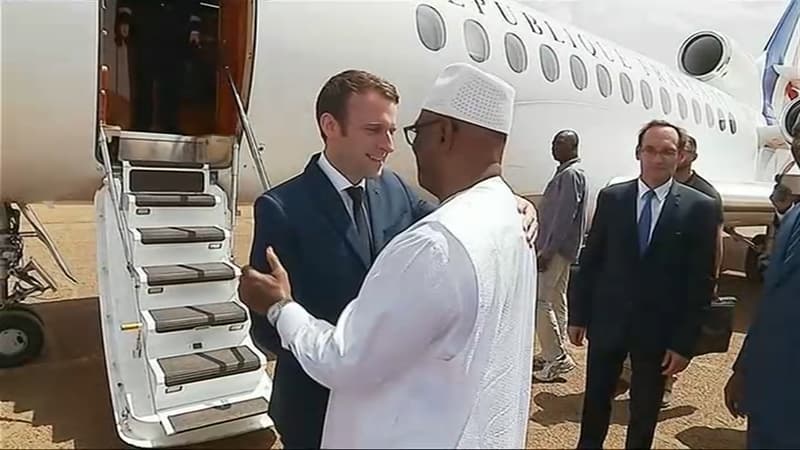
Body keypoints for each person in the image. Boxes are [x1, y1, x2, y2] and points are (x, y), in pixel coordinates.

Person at [239, 63, 537, 449]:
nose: (389, 145)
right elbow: (266, 324)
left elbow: (460, 225)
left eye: (393, 131)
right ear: (330, 126)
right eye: (373, 130)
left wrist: (511, 202)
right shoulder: (282, 206)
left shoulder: (395, 189)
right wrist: (329, 347)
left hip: (384, 400)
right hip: (312, 404)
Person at [568, 120, 718, 449]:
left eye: (667, 151)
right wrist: (578, 315)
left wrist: (684, 343)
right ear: (638, 153)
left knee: (644, 412)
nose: (658, 158)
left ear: (680, 156)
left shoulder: (699, 208)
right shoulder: (612, 198)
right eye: (650, 149)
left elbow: (701, 282)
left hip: (658, 332)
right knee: (595, 404)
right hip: (608, 324)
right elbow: (590, 260)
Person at [616, 133, 725, 407]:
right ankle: (631, 376)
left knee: (672, 338)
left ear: (688, 156)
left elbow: (715, 242)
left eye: (682, 151)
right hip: (650, 283)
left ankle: (666, 385)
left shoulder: (705, 194)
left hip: (681, 283)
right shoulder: (657, 186)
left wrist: (711, 281)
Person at [723, 119, 800, 449]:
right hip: (771, 395)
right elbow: (770, 302)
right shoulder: (792, 216)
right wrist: (743, 370)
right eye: (797, 135)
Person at [532, 130, 587, 382]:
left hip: (555, 250)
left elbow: (564, 217)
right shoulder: (568, 173)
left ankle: (557, 357)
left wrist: (548, 250)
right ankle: (553, 351)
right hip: (562, 250)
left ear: (573, 147)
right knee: (555, 299)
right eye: (553, 143)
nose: (554, 147)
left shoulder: (571, 175)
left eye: (560, 143)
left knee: (540, 302)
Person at [115, 0, 202, 133]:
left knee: (172, 80)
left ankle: (169, 124)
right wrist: (125, 18)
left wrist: (195, 26)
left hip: (176, 27)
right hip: (145, 25)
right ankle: (141, 124)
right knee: (143, 79)